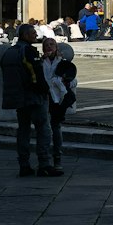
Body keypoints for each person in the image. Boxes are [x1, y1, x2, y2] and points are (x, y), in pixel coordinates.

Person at [0, 23, 60, 178]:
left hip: (19, 98)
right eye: (33, 33)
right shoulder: (28, 50)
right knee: (43, 130)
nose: (36, 36)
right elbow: (34, 75)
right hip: (33, 97)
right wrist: (44, 90)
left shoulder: (10, 51)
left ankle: (24, 164)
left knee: (24, 130)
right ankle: (44, 164)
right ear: (25, 35)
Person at [41, 38, 77, 169]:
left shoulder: (63, 63)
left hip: (58, 100)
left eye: (52, 45)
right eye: (46, 45)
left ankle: (57, 157)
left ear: (56, 48)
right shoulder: (39, 62)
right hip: (43, 97)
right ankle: (44, 158)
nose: (49, 47)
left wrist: (64, 81)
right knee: (44, 128)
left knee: (56, 127)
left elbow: (74, 81)